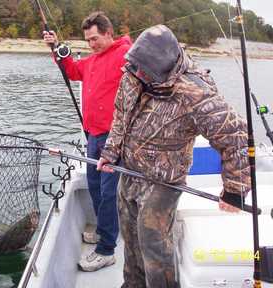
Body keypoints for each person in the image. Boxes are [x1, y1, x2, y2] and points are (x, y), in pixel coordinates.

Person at [97, 25, 251, 287]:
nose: (138, 72)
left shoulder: (196, 91)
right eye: (136, 66)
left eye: (145, 69)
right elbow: (121, 117)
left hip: (164, 181)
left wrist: (235, 190)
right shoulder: (133, 73)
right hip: (131, 171)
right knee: (131, 238)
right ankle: (132, 284)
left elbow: (235, 135)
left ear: (162, 65)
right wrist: (111, 153)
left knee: (152, 241)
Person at [43, 11, 132, 272]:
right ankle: (107, 231)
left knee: (107, 192)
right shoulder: (92, 61)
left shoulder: (125, 55)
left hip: (113, 138)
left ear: (108, 33)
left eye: (95, 38)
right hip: (92, 135)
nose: (91, 44)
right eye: (88, 40)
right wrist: (55, 47)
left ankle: (106, 251)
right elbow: (71, 70)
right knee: (94, 186)